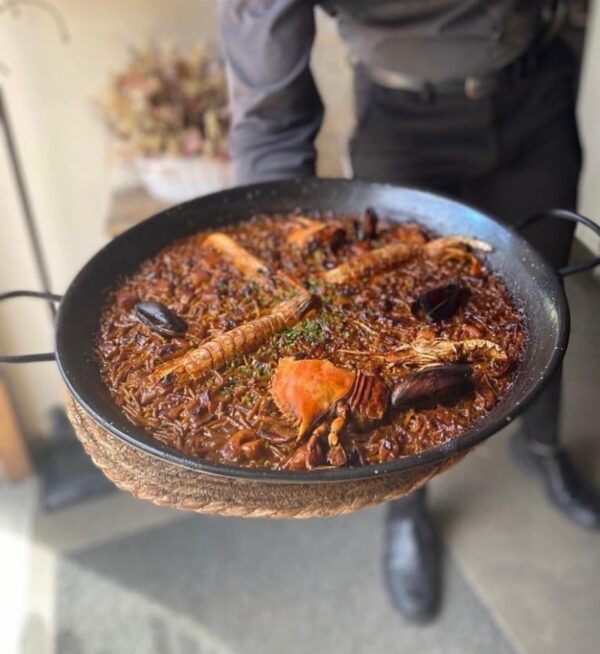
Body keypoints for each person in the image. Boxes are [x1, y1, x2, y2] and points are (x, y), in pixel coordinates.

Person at [218, 0, 600, 622]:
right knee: (392, 334)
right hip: (403, 124)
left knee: (544, 299)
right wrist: (279, 254)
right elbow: (266, 91)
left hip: (538, 95)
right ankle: (405, 504)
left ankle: (543, 446)